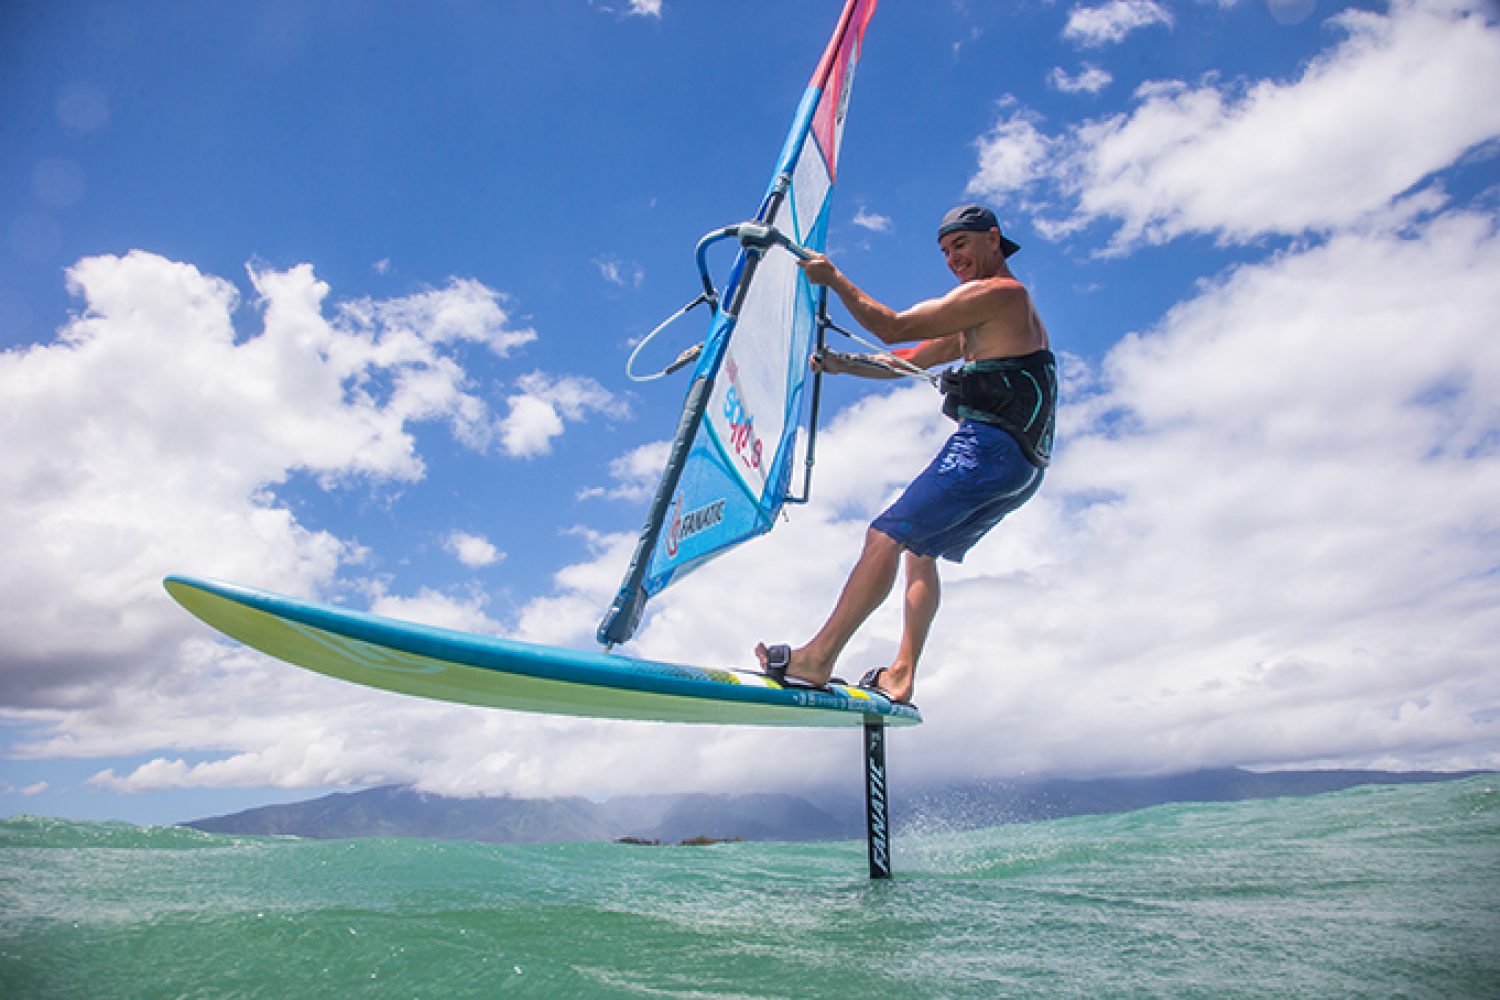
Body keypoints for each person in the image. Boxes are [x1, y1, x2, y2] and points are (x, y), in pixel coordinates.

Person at [755, 204, 1056, 705]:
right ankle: (901, 673)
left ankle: (817, 658)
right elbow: (906, 361)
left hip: (990, 447)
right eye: (944, 252)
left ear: (993, 239)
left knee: (885, 534)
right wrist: (844, 365)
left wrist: (834, 279)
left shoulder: (1001, 294)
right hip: (1023, 466)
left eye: (960, 245)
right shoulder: (981, 320)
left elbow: (893, 327)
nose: (952, 259)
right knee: (920, 550)